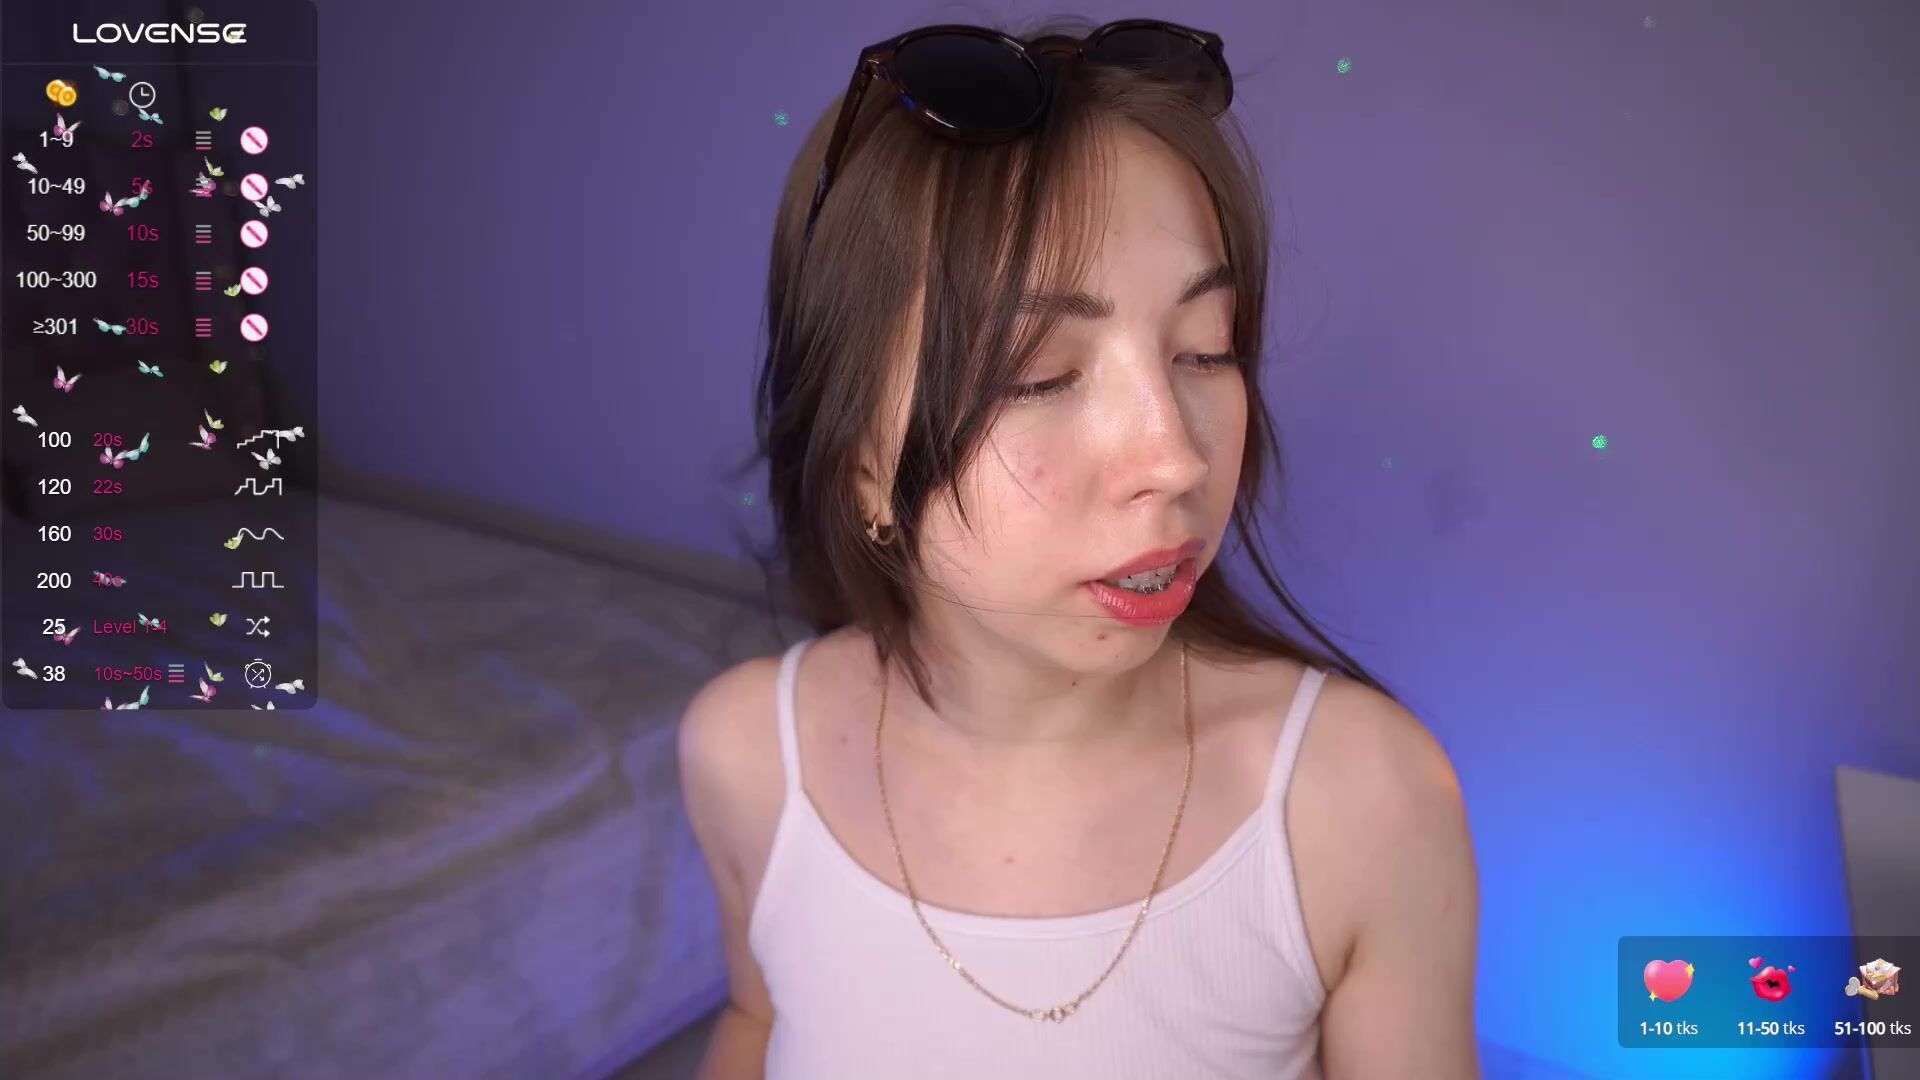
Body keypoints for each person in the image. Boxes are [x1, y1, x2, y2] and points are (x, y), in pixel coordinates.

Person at [679, 17, 1480, 1079]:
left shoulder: (1362, 800)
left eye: (1206, 351)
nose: (1176, 458)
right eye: (1040, 374)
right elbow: (757, 1021)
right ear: (862, 467)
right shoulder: (746, 755)